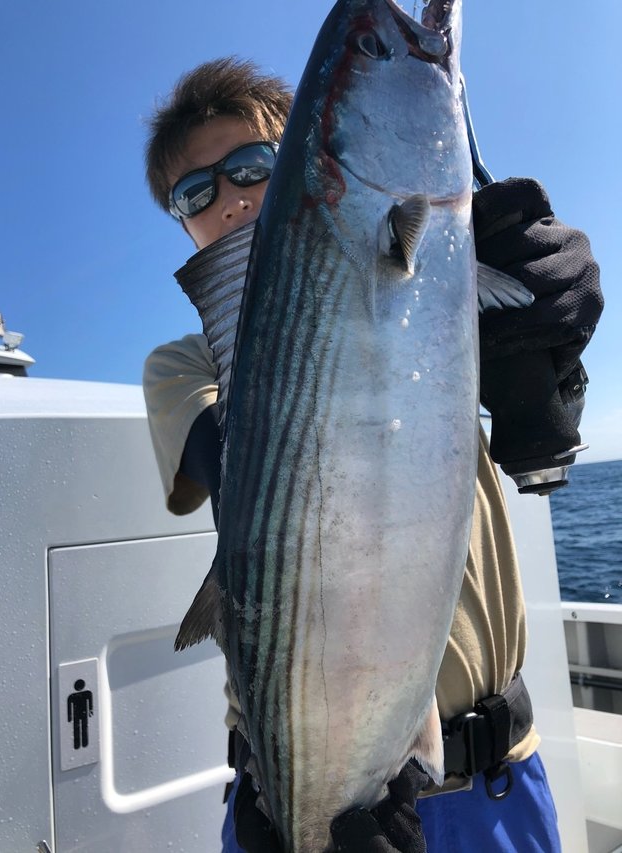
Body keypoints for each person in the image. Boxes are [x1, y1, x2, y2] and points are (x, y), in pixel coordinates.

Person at [142, 58, 603, 852]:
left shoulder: (426, 294)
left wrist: (541, 320)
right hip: (301, 783)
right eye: (196, 194)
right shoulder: (184, 365)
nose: (232, 199)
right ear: (184, 226)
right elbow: (251, 477)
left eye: (252, 167)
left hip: (498, 787)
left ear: (303, 171)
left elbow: (537, 411)